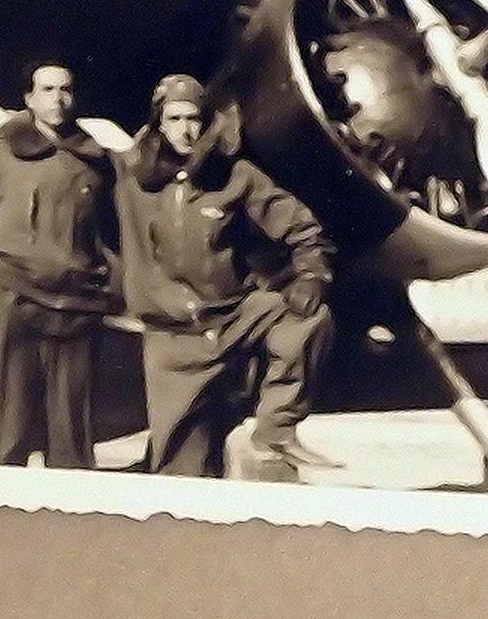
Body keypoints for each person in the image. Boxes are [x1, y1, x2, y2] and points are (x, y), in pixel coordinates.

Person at [115, 74, 341, 477]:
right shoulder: (130, 179)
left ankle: (276, 429)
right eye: (175, 119)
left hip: (234, 317)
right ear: (158, 123)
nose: (186, 130)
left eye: (194, 119)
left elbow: (302, 228)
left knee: (307, 314)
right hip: (174, 338)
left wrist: (311, 274)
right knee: (181, 472)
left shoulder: (236, 176)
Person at [0, 62, 119, 468]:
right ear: (29, 98)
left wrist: (111, 288)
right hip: (14, 306)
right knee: (2, 438)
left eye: (66, 89)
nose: (58, 99)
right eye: (48, 89)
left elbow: (117, 238)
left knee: (71, 450)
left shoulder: (96, 164)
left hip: (77, 312)